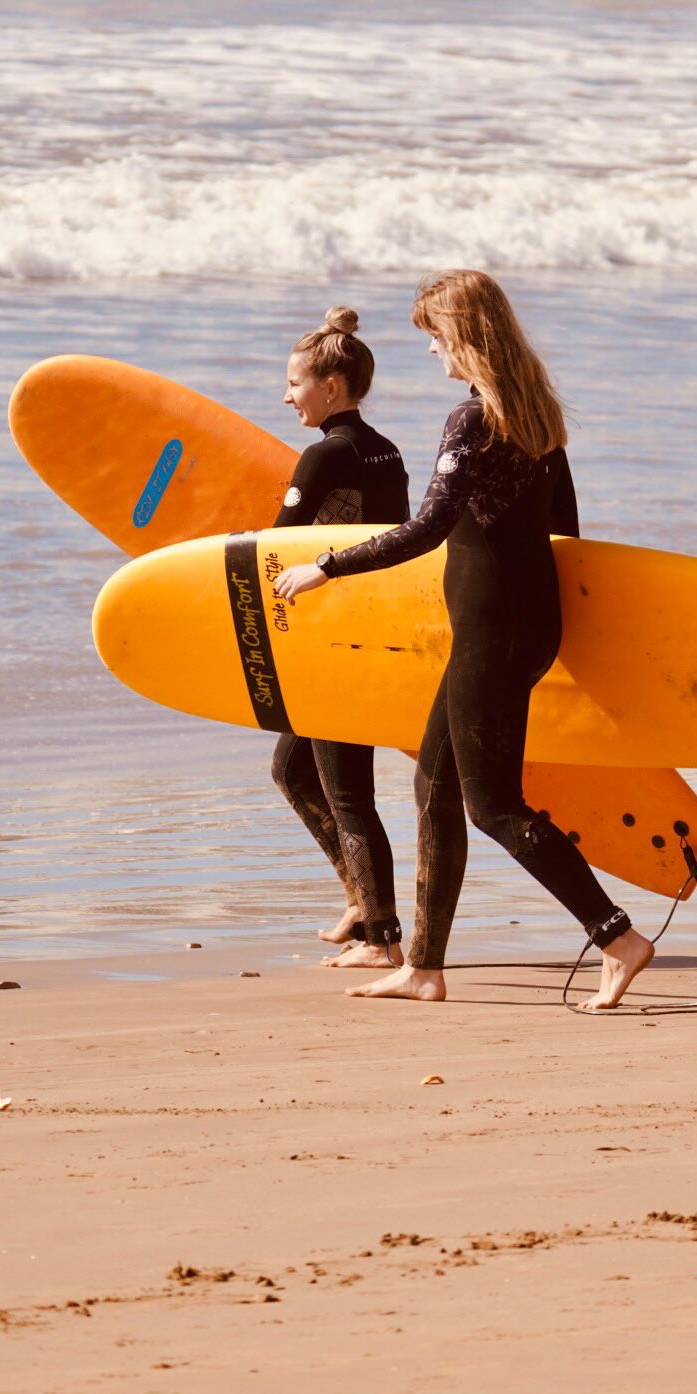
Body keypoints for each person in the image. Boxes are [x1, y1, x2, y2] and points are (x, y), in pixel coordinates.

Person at [274, 271, 654, 1011]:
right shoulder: (539, 416)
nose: (432, 353)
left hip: (490, 633)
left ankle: (616, 937)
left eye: (437, 337)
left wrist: (327, 565)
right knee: (434, 787)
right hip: (524, 624)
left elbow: (427, 529)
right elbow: (565, 532)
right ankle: (424, 966)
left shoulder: (473, 420)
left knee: (495, 806)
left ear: (468, 337)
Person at [271, 306, 410, 970]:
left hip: (337, 642)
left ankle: (381, 938)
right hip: (371, 628)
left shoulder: (323, 455)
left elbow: (275, 546)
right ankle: (362, 901)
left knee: (347, 789)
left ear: (331, 385)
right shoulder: (385, 450)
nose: (287, 395)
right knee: (294, 769)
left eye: (294, 382)